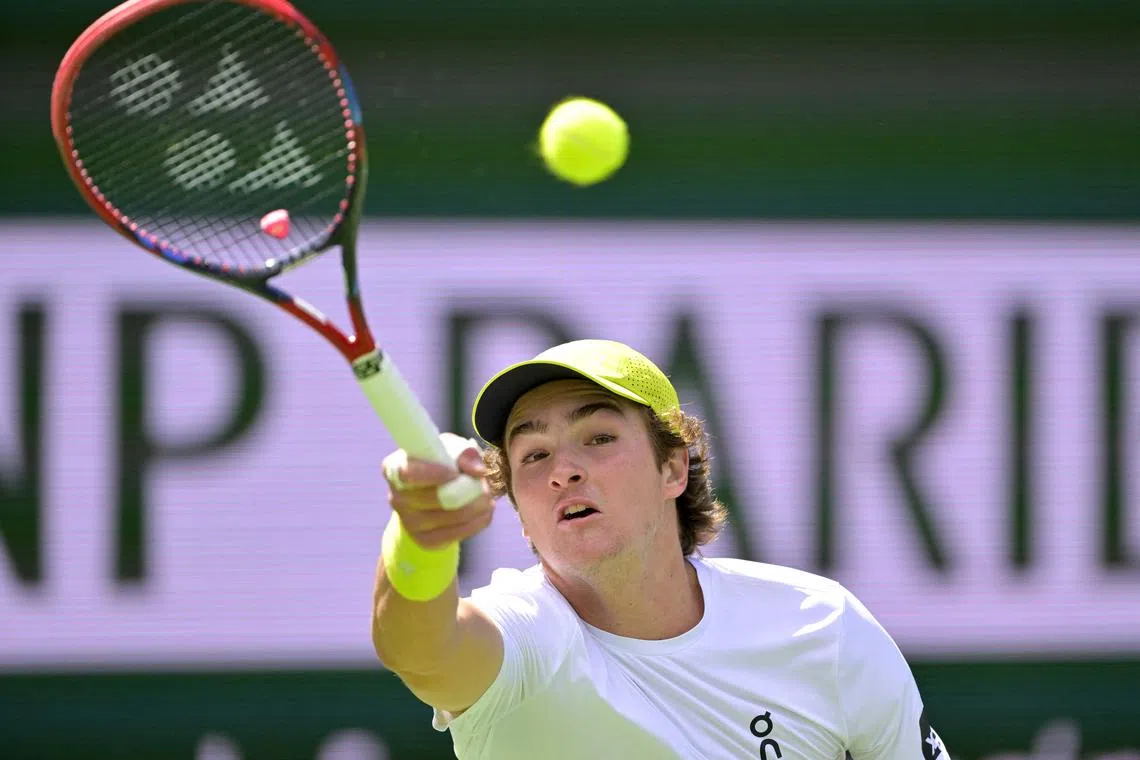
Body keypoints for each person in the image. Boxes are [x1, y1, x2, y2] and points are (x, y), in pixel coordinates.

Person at [371, 339, 949, 760]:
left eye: (598, 438)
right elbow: (422, 651)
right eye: (534, 455)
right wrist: (419, 539)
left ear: (672, 467)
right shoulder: (524, 636)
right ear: (520, 513)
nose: (563, 472)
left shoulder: (822, 627)